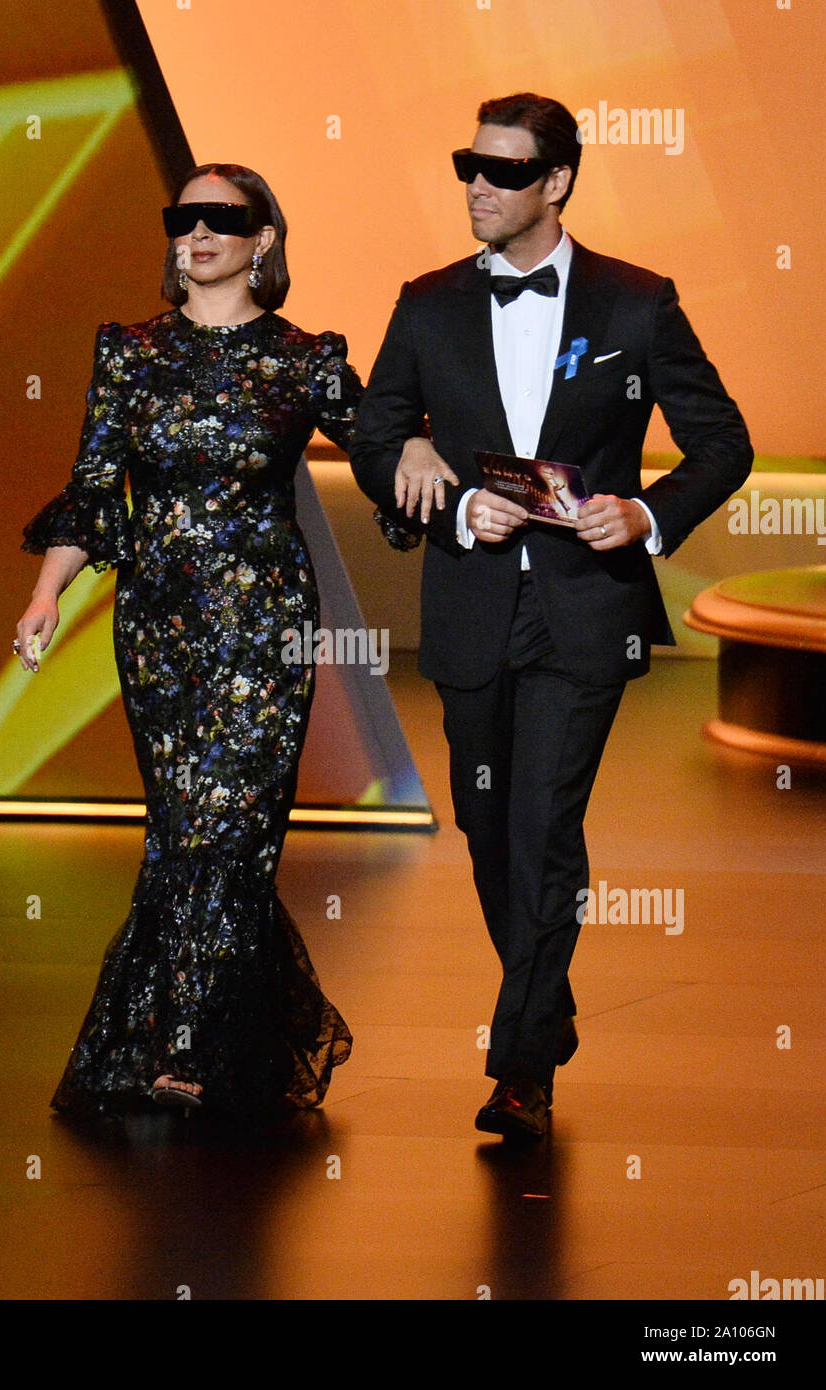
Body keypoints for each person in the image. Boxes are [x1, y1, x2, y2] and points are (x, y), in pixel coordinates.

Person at [349, 93, 752, 1139]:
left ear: (556, 183)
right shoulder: (427, 303)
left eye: (502, 171)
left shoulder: (634, 304)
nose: (477, 186)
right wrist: (418, 470)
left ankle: (519, 1062)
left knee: (542, 826)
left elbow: (721, 442)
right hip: (472, 599)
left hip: (583, 612)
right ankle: (546, 997)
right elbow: (375, 430)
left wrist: (646, 514)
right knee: (488, 830)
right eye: (467, 166)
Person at [16, 163, 360, 1126]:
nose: (199, 231)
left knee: (235, 827)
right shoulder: (128, 352)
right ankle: (223, 1031)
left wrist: (445, 470)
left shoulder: (307, 358)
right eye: (185, 216)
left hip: (265, 626)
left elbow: (384, 449)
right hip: (159, 622)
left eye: (225, 217)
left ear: (264, 241)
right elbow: (93, 485)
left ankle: (187, 1045)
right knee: (181, 826)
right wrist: (47, 593)